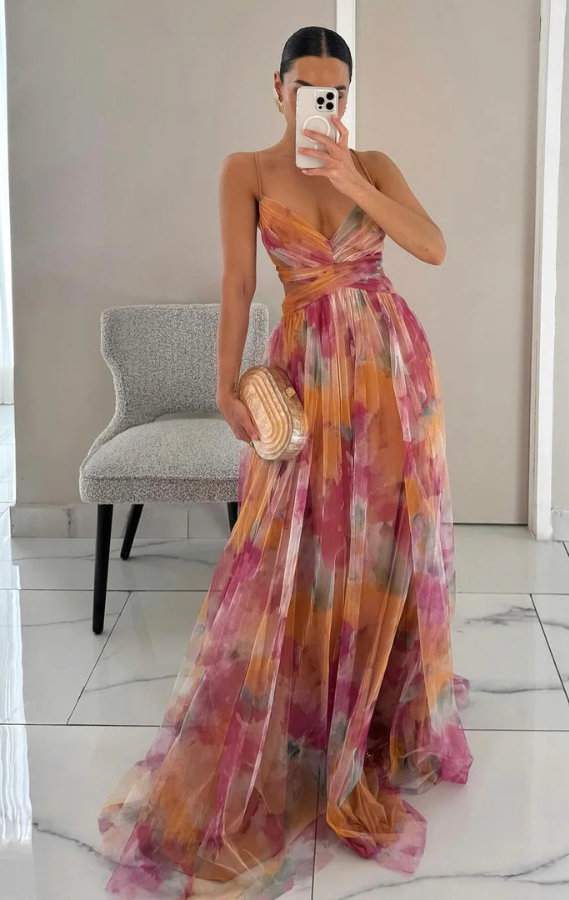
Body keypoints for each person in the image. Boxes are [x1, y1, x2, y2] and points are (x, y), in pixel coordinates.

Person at [96, 25, 473, 900]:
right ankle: (308, 714)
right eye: (306, 87)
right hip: (308, 374)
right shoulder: (246, 171)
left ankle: (375, 709)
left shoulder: (371, 164)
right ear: (278, 90)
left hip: (392, 372)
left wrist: (352, 181)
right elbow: (238, 283)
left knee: (386, 546)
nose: (319, 102)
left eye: (333, 90)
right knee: (299, 548)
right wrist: (225, 382)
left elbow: (432, 246)